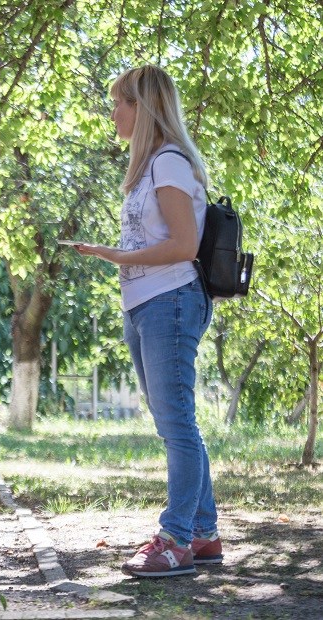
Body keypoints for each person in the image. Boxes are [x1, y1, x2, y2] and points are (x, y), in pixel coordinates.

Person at [71, 65, 222, 577]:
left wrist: (115, 256)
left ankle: (176, 539)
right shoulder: (148, 167)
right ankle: (202, 534)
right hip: (146, 302)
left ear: (145, 107)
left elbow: (184, 245)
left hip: (171, 300)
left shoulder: (169, 163)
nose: (113, 111)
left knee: (177, 423)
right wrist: (118, 259)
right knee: (172, 421)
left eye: (120, 102)